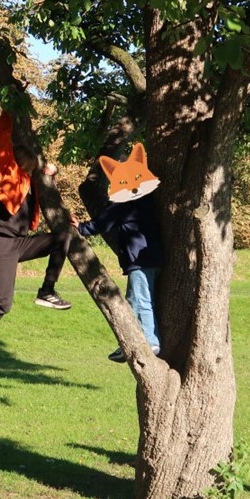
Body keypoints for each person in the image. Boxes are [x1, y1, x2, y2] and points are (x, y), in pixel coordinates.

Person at [0, 110, 72, 377]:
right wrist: (11, 103)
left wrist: (53, 170)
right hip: (1, 244)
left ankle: (47, 290)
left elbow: (46, 181)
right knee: (4, 303)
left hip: (21, 242)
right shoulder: (3, 171)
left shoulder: (29, 183)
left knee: (63, 237)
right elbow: (3, 136)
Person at [75, 143, 163, 362]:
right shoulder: (146, 199)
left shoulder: (126, 203)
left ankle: (150, 341)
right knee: (138, 298)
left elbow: (102, 223)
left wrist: (80, 227)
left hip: (141, 259)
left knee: (140, 299)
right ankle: (130, 344)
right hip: (151, 256)